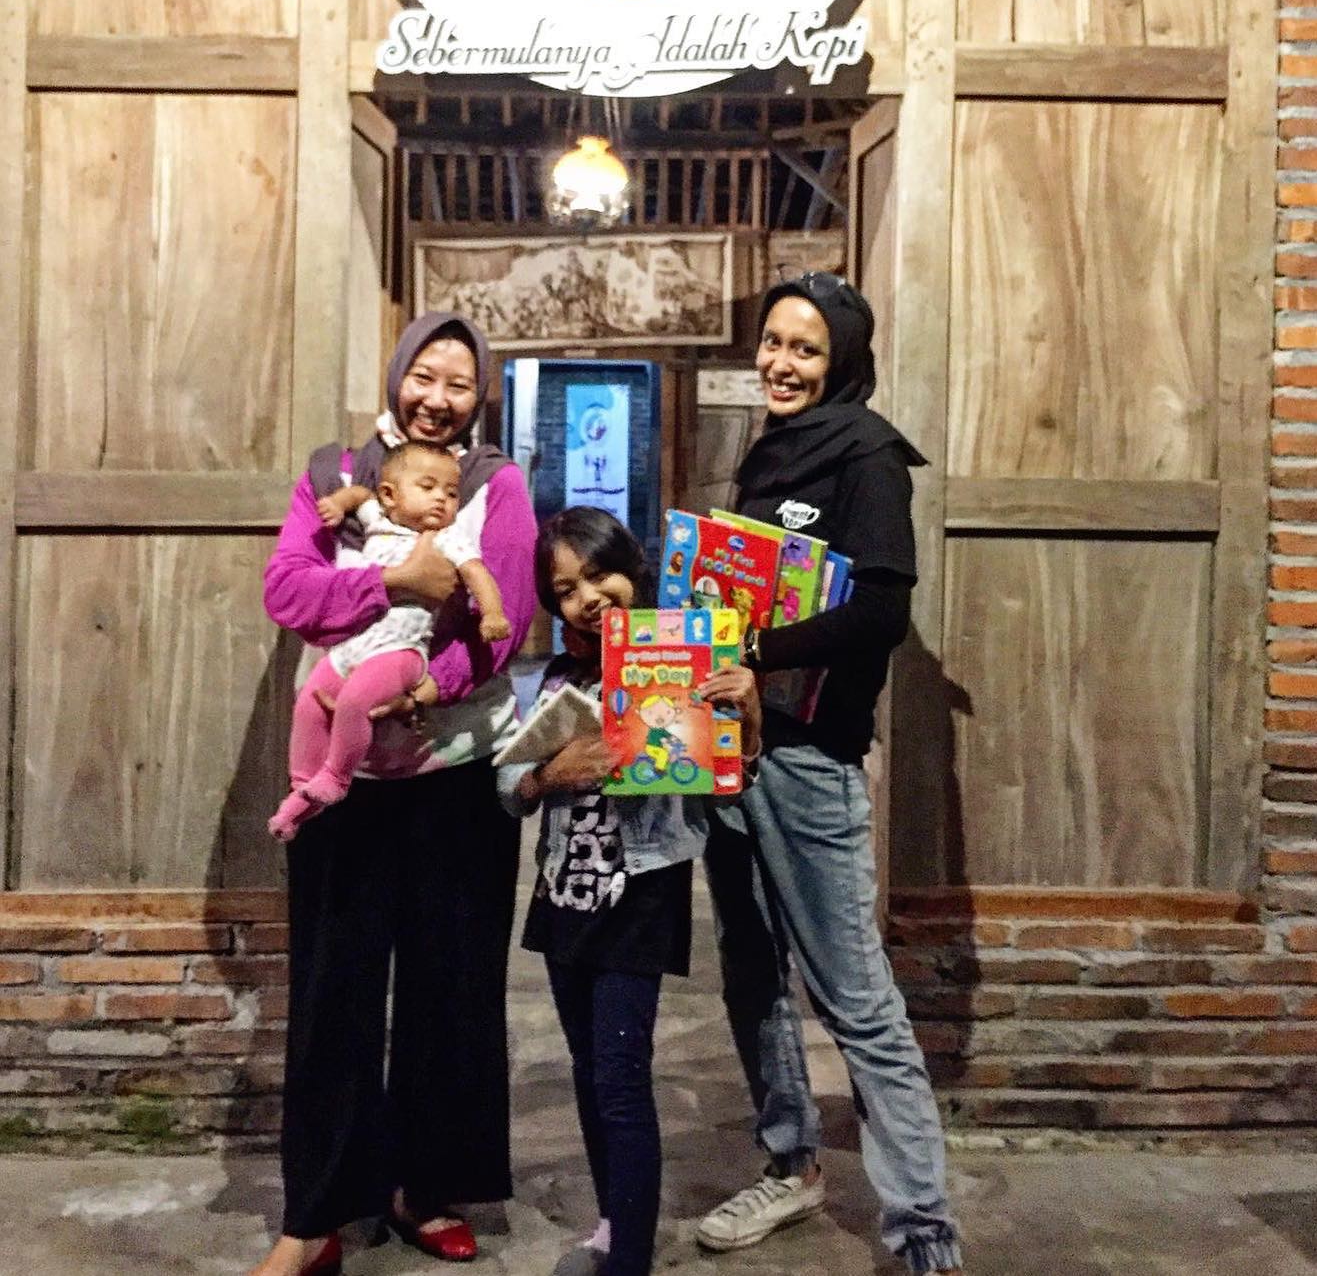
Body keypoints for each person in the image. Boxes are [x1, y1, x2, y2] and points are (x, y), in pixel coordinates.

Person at [250, 312, 536, 1276]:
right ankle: (316, 1213)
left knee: (449, 986)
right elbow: (288, 591)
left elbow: (505, 619)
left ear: (479, 394)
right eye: (425, 375)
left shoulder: (494, 484)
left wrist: (423, 690)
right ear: (397, 374)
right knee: (332, 989)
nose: (437, 399)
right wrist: (392, 586)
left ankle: (426, 1185)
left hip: (452, 771)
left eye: (459, 383)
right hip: (343, 778)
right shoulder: (335, 472)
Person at [696, 273, 964, 1276]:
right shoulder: (769, 451)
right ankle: (791, 1163)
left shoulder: (867, 455)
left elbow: (881, 611)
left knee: (855, 999)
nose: (781, 363)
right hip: (732, 749)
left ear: (842, 359)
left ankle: (923, 1229)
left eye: (804, 349)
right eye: (772, 342)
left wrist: (754, 650)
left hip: (809, 760)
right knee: (751, 971)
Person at [498, 507, 762, 1276]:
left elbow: (727, 783)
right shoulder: (553, 679)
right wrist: (546, 775)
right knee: (587, 1069)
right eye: (565, 589)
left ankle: (630, 1259)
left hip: (639, 892)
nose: (587, 597)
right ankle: (613, 1226)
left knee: (619, 1077)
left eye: (598, 575)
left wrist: (745, 720)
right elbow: (509, 787)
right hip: (562, 891)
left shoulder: (679, 660)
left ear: (633, 568)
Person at [268, 442, 510, 839]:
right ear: (390, 495)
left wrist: (493, 613)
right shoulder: (378, 521)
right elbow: (360, 496)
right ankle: (302, 786)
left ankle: (336, 777)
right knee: (311, 699)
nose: (441, 499)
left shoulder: (446, 538)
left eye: (451, 493)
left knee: (354, 702)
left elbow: (477, 573)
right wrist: (339, 503)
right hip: (353, 649)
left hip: (401, 652)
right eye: (428, 487)